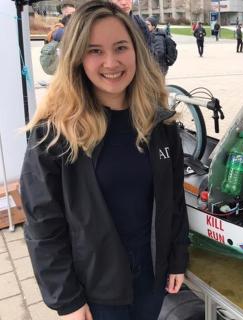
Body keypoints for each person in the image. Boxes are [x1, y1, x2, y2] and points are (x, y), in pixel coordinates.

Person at [20, 2, 189, 320]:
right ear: (76, 58)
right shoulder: (55, 135)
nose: (111, 62)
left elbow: (173, 201)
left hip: (151, 280)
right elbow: (43, 225)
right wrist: (66, 298)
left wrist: (177, 258)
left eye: (120, 47)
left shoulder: (161, 126)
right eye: (94, 50)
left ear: (136, 50)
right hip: (94, 293)